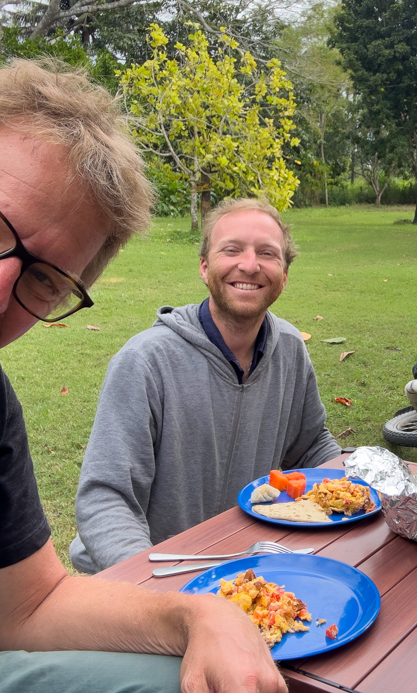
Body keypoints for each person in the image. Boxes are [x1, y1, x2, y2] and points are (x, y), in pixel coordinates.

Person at [0, 61, 286, 693]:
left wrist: (198, 613)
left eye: (41, 279)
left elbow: (27, 607)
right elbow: (105, 497)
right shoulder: (148, 361)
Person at [70, 198, 341, 574]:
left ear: (284, 274)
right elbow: (105, 498)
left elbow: (310, 446)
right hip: (146, 573)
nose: (250, 264)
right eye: (232, 250)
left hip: (239, 565)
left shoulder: (290, 349)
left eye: (267, 253)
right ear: (204, 266)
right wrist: (152, 585)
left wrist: (355, 482)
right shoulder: (146, 361)